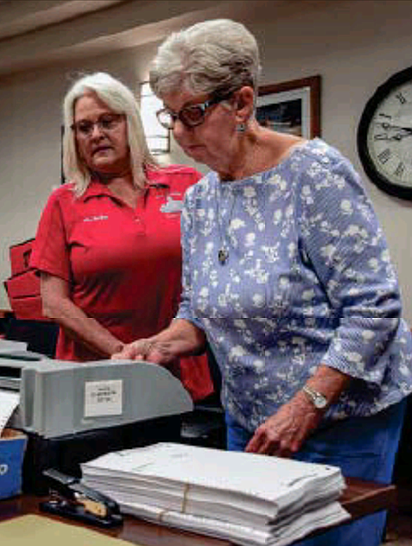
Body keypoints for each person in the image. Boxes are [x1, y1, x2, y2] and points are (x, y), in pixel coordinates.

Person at [114, 19, 412, 546]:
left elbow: (373, 309)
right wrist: (160, 344)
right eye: (170, 116)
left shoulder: (315, 175)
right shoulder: (202, 200)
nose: (180, 135)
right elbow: (200, 308)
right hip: (250, 422)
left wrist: (306, 406)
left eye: (193, 114)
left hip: (340, 421)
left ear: (243, 103)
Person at [30, 72, 213, 402]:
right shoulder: (63, 202)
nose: (96, 134)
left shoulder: (186, 184)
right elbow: (54, 303)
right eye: (84, 128)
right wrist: (124, 354)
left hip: (180, 371)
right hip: (95, 377)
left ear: (130, 123)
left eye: (107, 122)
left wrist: (160, 348)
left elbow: (215, 275)